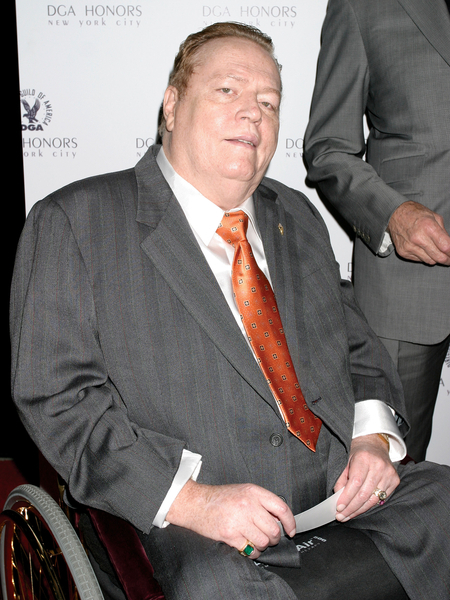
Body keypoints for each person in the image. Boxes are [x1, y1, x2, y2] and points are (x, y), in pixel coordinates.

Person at [10, 21, 450, 600]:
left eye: (269, 102)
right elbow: (57, 398)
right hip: (195, 522)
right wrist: (192, 500)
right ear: (172, 106)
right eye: (227, 90)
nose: (253, 113)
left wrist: (371, 439)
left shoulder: (299, 216)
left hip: (339, 494)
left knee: (442, 500)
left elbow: (357, 346)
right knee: (216, 586)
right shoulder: (75, 221)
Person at [303, 0, 450, 462]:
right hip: (407, 284)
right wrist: (392, 214)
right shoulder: (361, 6)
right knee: (392, 468)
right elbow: (328, 147)